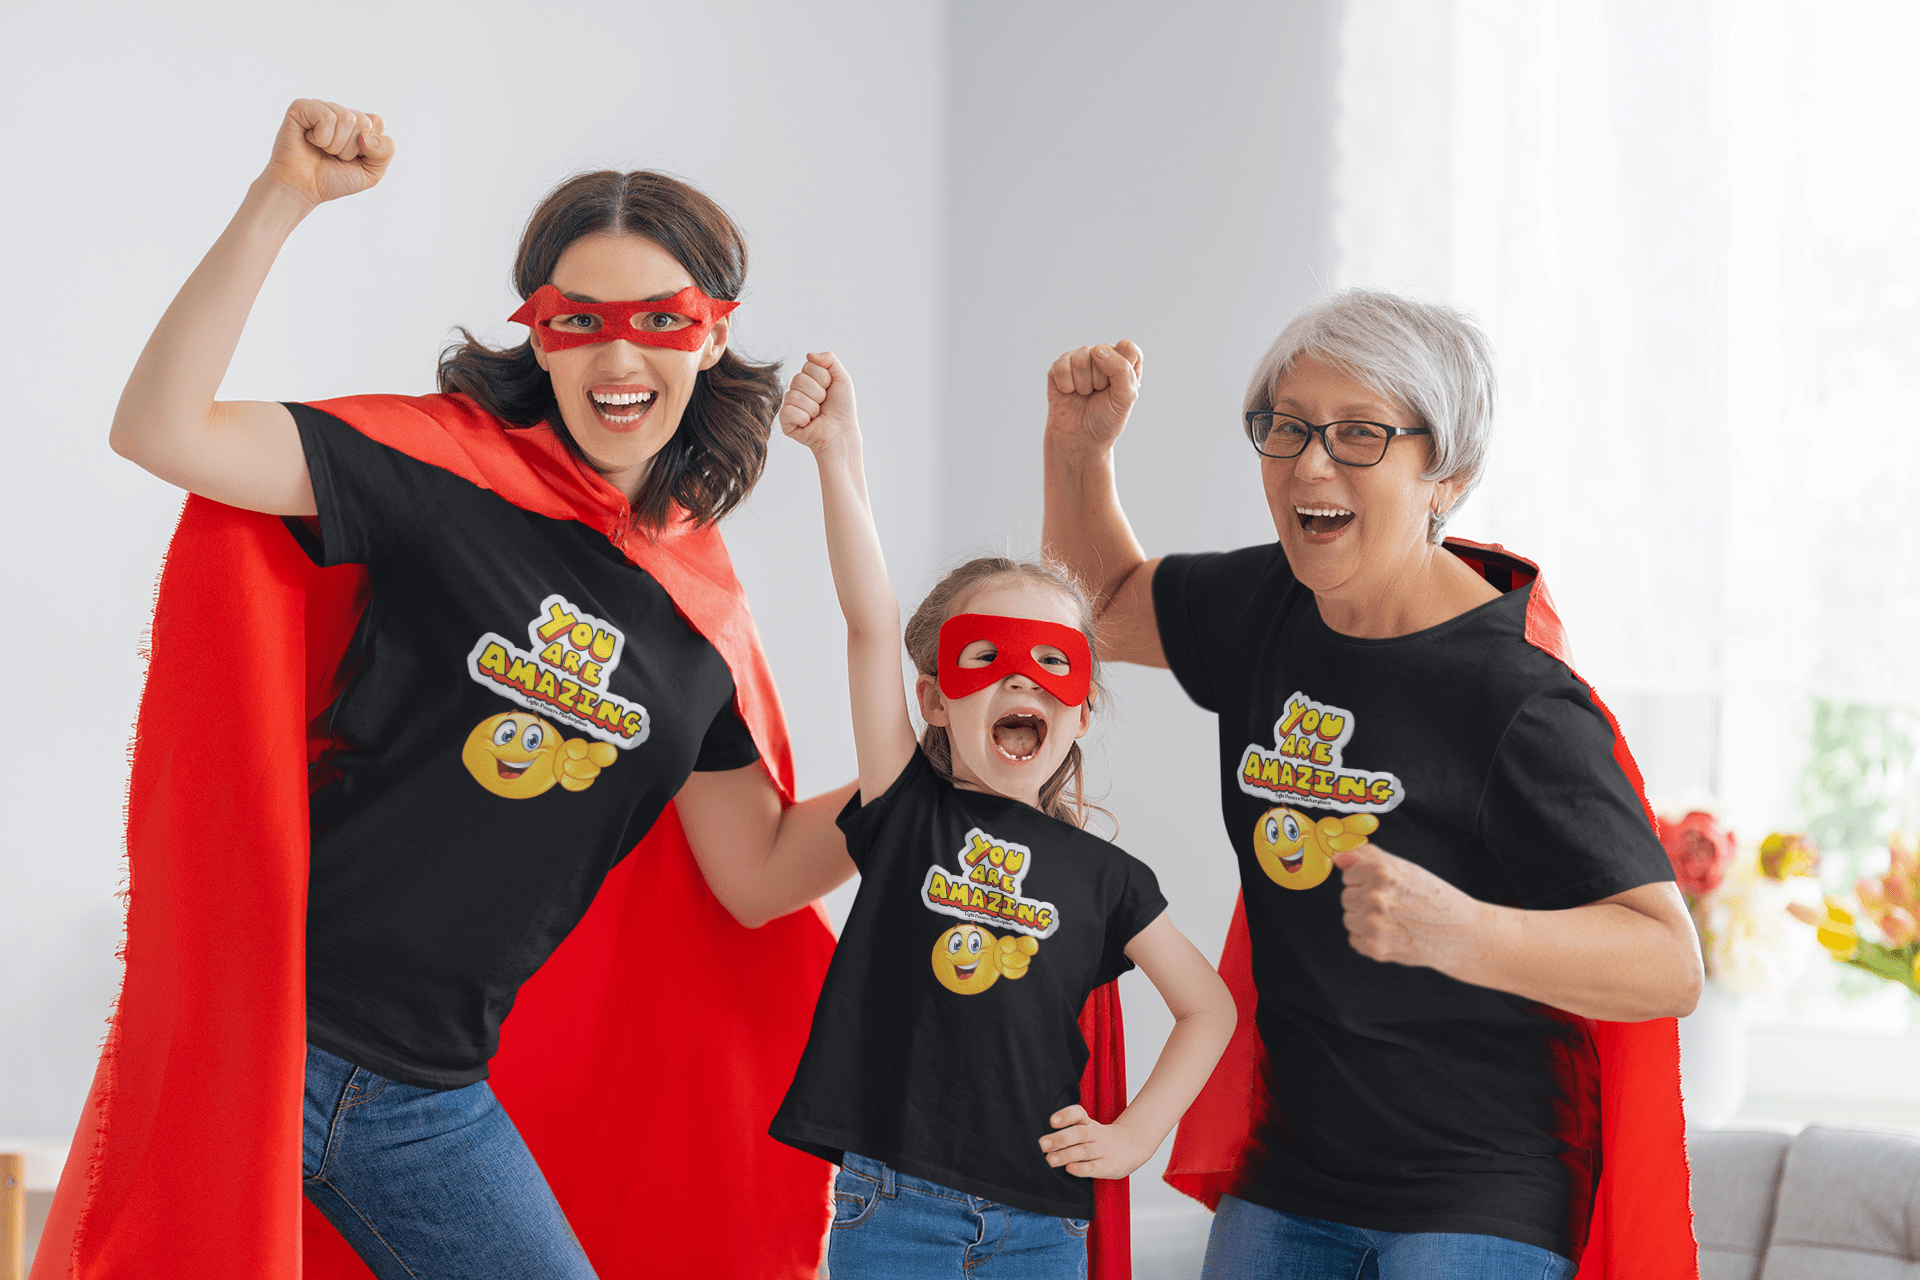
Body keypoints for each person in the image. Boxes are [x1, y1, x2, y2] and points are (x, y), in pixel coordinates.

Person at [46, 99, 855, 1280]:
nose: (618, 359)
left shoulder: (698, 615)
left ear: (713, 336)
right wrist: (283, 202)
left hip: (422, 1094)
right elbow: (163, 426)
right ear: (539, 334)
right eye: (578, 320)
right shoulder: (442, 473)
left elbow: (762, 869)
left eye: (660, 321)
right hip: (273, 1035)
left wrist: (937, 770)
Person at [1038, 291, 1703, 1280]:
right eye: (1288, 427)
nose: (1310, 462)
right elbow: (1105, 609)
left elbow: (1668, 961)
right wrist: (1078, 449)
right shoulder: (1268, 603)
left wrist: (1467, 931)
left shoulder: (1516, 697)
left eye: (1359, 434)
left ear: (1450, 474)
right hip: (1291, 1182)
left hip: (1480, 1199)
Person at [770, 351, 1237, 1279]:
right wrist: (837, 454)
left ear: (1081, 711)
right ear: (937, 700)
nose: (1022, 676)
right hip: (894, 1205)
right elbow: (872, 619)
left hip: (1042, 1220)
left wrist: (1138, 1133)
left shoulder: (1111, 880)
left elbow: (1208, 1007)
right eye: (986, 657)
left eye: (1051, 664)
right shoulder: (904, 809)